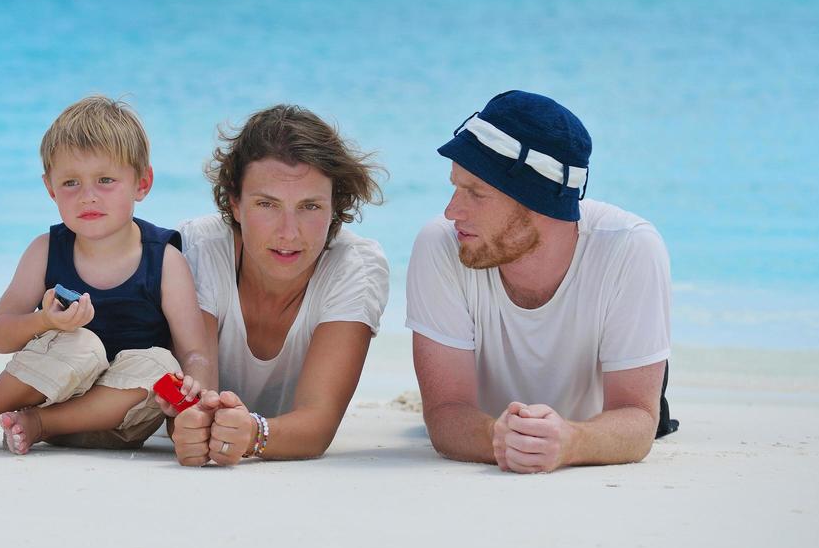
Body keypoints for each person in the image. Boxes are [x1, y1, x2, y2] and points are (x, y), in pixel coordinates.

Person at [406, 90, 676, 475]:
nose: (452, 211)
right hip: (491, 422)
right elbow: (446, 414)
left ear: (537, 205)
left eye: (476, 194)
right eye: (455, 186)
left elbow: (637, 421)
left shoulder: (630, 247)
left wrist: (572, 442)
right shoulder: (442, 244)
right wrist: (495, 438)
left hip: (596, 417)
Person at [0, 95, 211, 454]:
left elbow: (194, 351)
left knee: (163, 364)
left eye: (105, 180)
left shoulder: (164, 258)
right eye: (71, 183)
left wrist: (194, 399)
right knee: (83, 344)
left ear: (142, 183)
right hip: (52, 394)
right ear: (50, 188)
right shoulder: (45, 250)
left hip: (121, 420)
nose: (87, 196)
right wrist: (46, 323)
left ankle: (39, 425)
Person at [168, 105, 389, 465]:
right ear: (235, 203)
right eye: (267, 204)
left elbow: (317, 424)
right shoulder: (198, 249)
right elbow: (195, 393)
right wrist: (192, 422)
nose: (288, 232)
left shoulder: (354, 268)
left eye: (310, 207)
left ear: (335, 206)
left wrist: (253, 434)